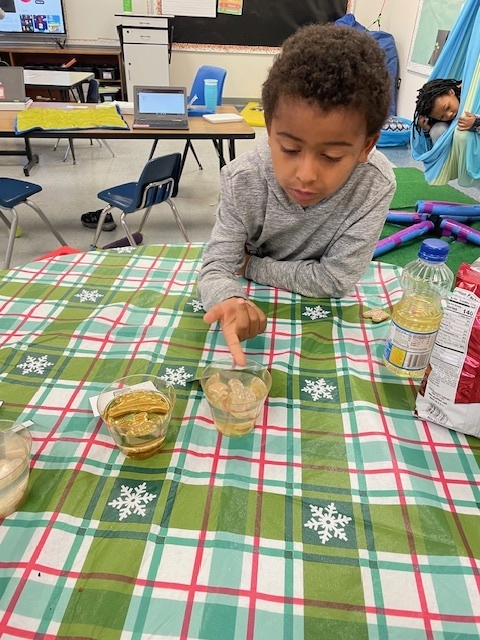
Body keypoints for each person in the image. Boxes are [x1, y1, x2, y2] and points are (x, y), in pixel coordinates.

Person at [197, 23, 396, 366]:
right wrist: (229, 295)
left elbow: (335, 279)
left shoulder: (374, 185)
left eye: (332, 157)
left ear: (366, 146)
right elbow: (215, 266)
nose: (305, 175)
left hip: (323, 326)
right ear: (270, 130)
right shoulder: (242, 179)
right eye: (289, 149)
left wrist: (250, 266)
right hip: (257, 302)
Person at [413, 78, 480, 144]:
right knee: (437, 130)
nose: (449, 114)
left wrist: (476, 122)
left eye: (448, 107)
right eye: (442, 117)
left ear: (451, 92)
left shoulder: (469, 94)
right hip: (452, 151)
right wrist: (426, 129)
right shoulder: (439, 120)